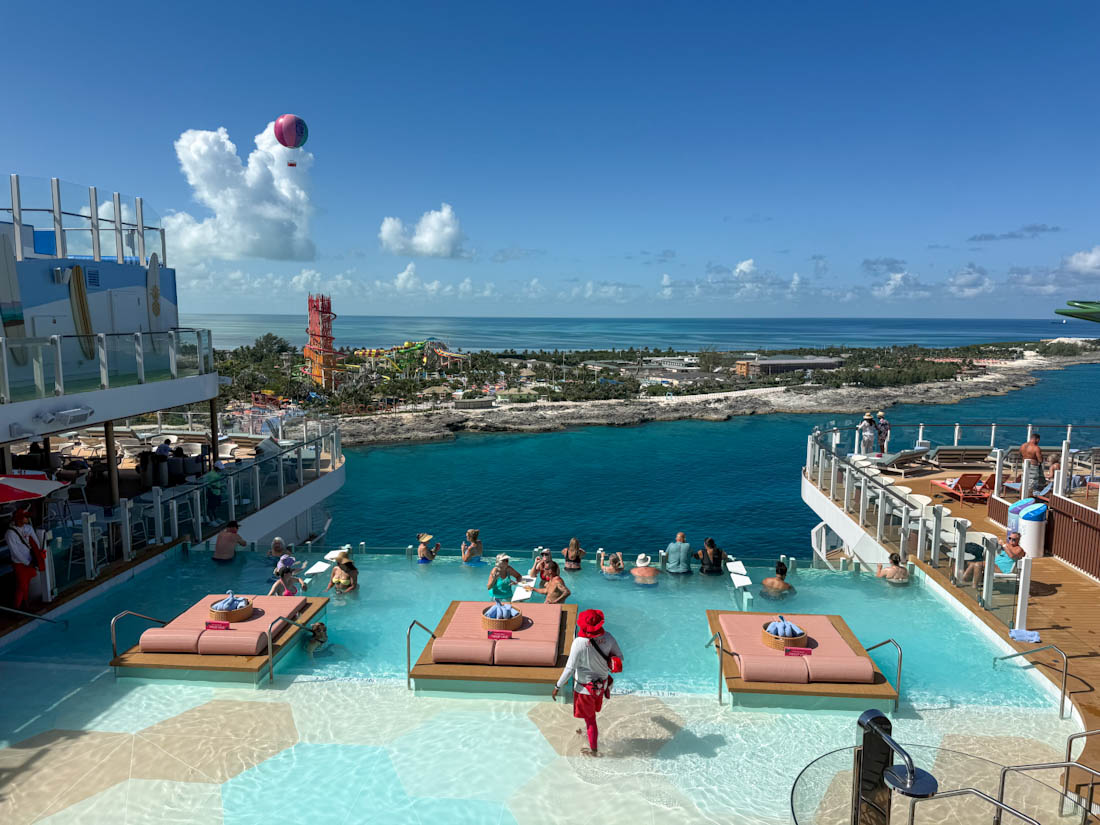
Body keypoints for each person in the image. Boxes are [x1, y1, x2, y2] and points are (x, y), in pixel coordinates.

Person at [551, 608, 623, 757]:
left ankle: (594, 750)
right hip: (601, 686)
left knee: (591, 720)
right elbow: (619, 657)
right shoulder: (608, 637)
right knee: (590, 715)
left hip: (585, 689)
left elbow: (570, 669)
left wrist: (557, 686)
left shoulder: (579, 642)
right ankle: (588, 732)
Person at [5, 510, 42, 610]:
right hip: (20, 564)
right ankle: (18, 607)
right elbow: (15, 552)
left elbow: (36, 542)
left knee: (26, 585)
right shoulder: (10, 534)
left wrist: (36, 557)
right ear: (19, 519)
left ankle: (25, 605)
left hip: (30, 561)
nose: (27, 519)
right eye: (25, 517)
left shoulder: (28, 528)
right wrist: (27, 562)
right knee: (22, 586)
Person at [961, 531, 1026, 587]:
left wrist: (1004, 545)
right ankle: (963, 580)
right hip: (995, 564)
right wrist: (997, 544)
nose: (1011, 540)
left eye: (1013, 539)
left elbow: (1011, 555)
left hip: (1003, 569)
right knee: (973, 564)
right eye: (1010, 538)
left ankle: (974, 586)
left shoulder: (1019, 549)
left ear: (1018, 540)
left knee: (978, 564)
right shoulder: (1007, 545)